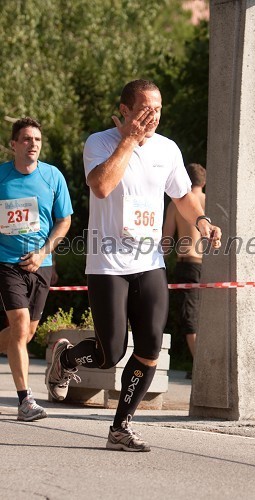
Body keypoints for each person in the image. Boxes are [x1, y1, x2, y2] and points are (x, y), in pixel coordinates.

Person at [46, 79, 221, 452]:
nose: (152, 116)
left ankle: (120, 427)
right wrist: (128, 139)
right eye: (144, 109)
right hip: (107, 261)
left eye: (157, 109)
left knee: (150, 348)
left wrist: (203, 221)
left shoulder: (168, 149)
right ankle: (68, 357)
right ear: (124, 110)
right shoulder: (100, 142)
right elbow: (102, 186)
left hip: (149, 260)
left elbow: (183, 196)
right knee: (110, 353)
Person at [0, 117, 73, 421]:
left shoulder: (52, 176)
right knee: (19, 325)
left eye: (38, 140)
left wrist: (44, 252)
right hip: (6, 263)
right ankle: (25, 401)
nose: (33, 145)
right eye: (27, 139)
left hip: (41, 264)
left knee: (26, 334)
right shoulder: (1, 176)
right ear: (14, 144)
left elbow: (64, 220)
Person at [162, 163, 206, 368]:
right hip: (208, 266)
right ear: (204, 182)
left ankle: (201, 367)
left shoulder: (177, 204)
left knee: (190, 319)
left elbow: (166, 240)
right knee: (207, 316)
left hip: (187, 264)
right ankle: (205, 364)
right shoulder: (210, 202)